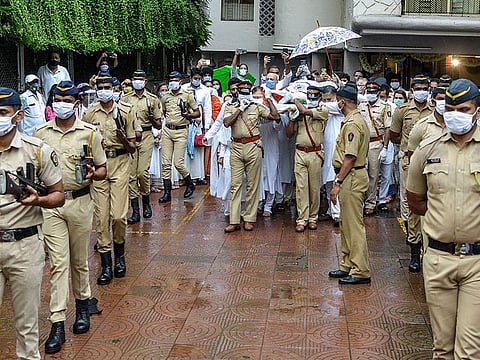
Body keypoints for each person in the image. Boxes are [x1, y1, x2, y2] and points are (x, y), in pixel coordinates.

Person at [406, 78, 480, 359]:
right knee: (442, 349)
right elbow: (415, 200)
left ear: (477, 112)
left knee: (469, 351)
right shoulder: (428, 148)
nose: (455, 115)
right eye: (450, 108)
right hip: (438, 260)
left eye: (463, 109)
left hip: (476, 263)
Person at [34, 81, 107, 354]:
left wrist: (93, 174)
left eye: (67, 99)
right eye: (58, 99)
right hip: (52, 206)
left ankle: (83, 307)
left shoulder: (89, 134)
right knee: (57, 264)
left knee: (79, 261)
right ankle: (56, 323)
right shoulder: (41, 134)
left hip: (80, 202)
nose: (62, 104)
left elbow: (102, 168)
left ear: (76, 103)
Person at [0, 87, 64, 359]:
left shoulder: (37, 151)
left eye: (2, 112)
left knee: (26, 325)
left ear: (18, 116)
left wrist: (38, 201)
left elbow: (58, 195)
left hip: (25, 246)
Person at [82, 73, 136, 285]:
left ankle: (120, 255)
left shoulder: (126, 112)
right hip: (99, 167)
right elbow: (84, 143)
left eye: (107, 87)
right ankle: (106, 264)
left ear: (114, 89)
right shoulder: (89, 113)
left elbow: (132, 147)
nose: (103, 91)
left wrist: (122, 137)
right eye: (100, 87)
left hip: (121, 163)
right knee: (102, 217)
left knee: (118, 216)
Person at [387, 74, 434, 273]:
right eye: (418, 88)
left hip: (432, 165)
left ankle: (430, 249)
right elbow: (395, 135)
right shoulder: (403, 110)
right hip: (409, 163)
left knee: (432, 205)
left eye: (425, 87)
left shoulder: (435, 110)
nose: (422, 91)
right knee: (413, 206)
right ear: (412, 90)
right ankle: (415, 252)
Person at [223, 80, 279, 232]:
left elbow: (275, 117)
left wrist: (269, 100)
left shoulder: (256, 107)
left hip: (253, 145)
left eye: (247, 92)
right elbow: (227, 123)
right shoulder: (230, 106)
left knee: (252, 185)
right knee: (235, 185)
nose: (244, 95)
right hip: (236, 146)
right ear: (237, 93)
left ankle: (249, 218)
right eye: (242, 92)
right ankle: (234, 220)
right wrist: (239, 109)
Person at [328, 81, 370, 285]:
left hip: (352, 177)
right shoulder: (353, 120)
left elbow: (350, 157)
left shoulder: (353, 123)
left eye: (337, 101)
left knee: (354, 225)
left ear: (343, 102)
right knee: (345, 223)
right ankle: (347, 263)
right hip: (350, 176)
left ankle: (360, 269)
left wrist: (338, 182)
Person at [122, 70, 162, 224]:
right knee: (131, 174)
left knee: (141, 173)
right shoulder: (125, 99)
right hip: (131, 136)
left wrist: (152, 118)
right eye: (135, 78)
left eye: (140, 79)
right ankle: (135, 210)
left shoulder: (151, 99)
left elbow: (159, 123)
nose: (137, 81)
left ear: (145, 82)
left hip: (145, 135)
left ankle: (146, 201)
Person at [287, 86, 329, 232]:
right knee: (301, 187)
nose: (311, 100)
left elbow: (306, 111)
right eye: (309, 97)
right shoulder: (299, 112)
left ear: (319, 98)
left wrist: (293, 100)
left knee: (314, 188)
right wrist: (293, 119)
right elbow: (289, 134)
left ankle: (313, 217)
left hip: (315, 153)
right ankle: (302, 219)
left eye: (314, 97)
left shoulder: (322, 110)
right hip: (300, 152)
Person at [159, 71, 200, 203]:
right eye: (171, 80)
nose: (172, 82)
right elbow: (163, 112)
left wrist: (188, 115)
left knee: (178, 163)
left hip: (181, 131)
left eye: (175, 80)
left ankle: (189, 183)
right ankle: (167, 193)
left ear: (180, 82)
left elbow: (197, 113)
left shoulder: (188, 96)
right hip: (167, 130)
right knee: (165, 163)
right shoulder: (165, 97)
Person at [358, 81, 392, 215]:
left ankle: (370, 202)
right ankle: (360, 201)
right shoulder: (361, 106)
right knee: (361, 172)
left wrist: (385, 147)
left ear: (378, 93)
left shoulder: (385, 107)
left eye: (373, 92)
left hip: (376, 143)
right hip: (362, 143)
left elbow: (388, 128)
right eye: (368, 92)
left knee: (373, 174)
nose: (370, 95)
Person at [320, 85, 344, 226]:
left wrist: (323, 104)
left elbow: (336, 106)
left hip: (338, 151)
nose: (327, 101)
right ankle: (331, 210)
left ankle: (337, 214)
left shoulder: (339, 108)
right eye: (325, 99)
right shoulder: (325, 110)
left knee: (336, 181)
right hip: (326, 151)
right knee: (328, 182)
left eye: (330, 99)